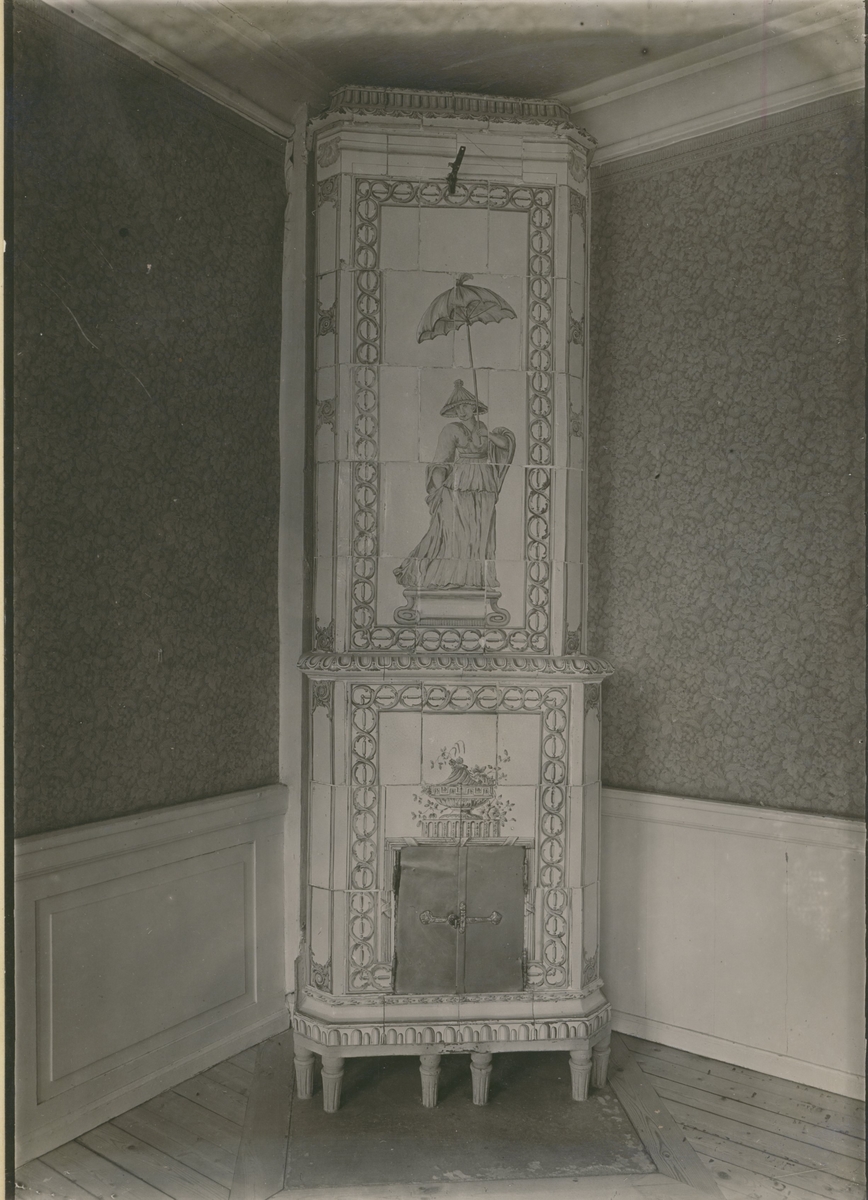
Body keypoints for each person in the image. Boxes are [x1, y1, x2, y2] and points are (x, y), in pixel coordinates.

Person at [395, 379, 515, 593]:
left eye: (465, 406)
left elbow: (506, 445)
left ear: (474, 407)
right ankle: (451, 576)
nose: (461, 411)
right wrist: (440, 489)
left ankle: (475, 579)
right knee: (456, 533)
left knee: (480, 531)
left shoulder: (483, 427)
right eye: (457, 408)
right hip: (460, 483)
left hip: (484, 483)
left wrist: (488, 435)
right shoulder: (451, 429)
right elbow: (441, 461)